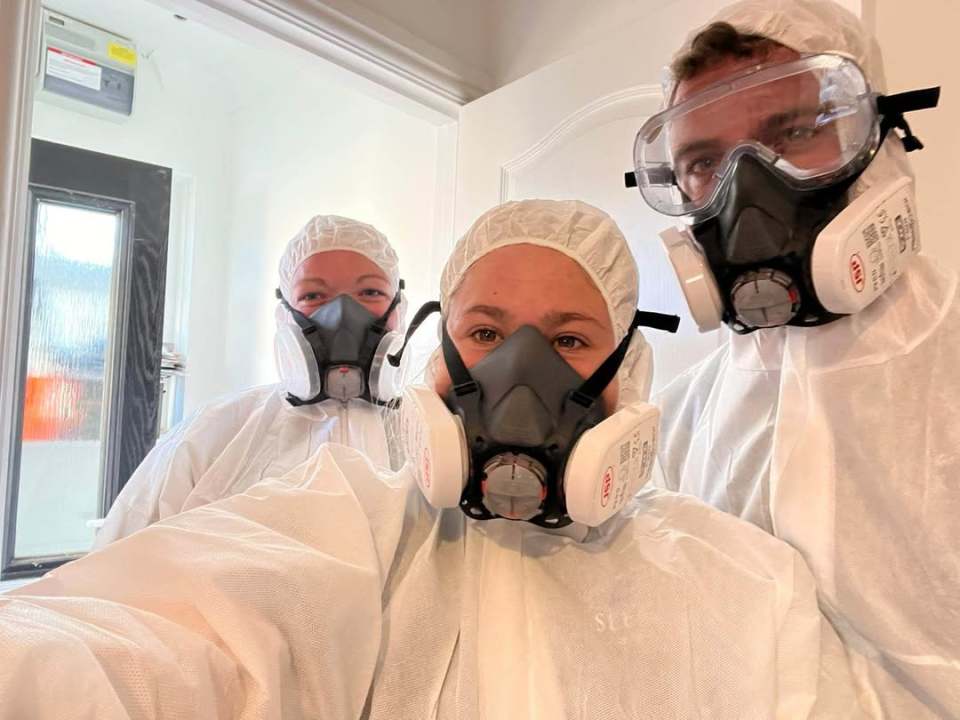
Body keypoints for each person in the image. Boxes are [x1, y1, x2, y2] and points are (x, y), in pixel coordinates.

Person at [0, 199, 863, 718]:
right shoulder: (349, 522)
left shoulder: (745, 582)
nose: (518, 373)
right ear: (437, 358)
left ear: (627, 372)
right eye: (485, 332)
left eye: (568, 339)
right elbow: (155, 637)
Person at [634, 1, 958, 716]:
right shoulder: (679, 422)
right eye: (703, 163)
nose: (746, 185)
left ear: (880, 137)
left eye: (796, 132)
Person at [94, 214, 406, 547]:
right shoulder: (216, 430)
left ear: (399, 310)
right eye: (313, 295)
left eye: (370, 291)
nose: (342, 313)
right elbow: (120, 556)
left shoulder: (427, 431)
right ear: (284, 314)